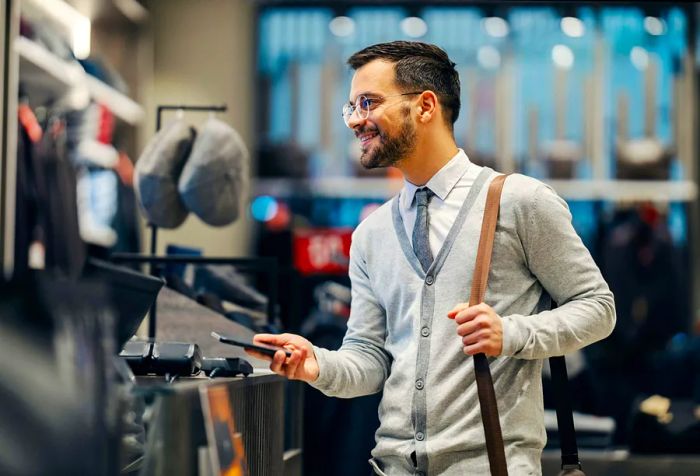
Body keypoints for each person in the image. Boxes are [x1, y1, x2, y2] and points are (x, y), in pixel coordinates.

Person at [249, 41, 616, 475]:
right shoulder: (372, 234)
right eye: (350, 107)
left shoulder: (520, 202)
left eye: (368, 102)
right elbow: (370, 359)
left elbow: (598, 308)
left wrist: (512, 333)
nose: (356, 120)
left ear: (425, 106)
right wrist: (318, 364)